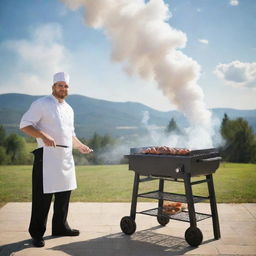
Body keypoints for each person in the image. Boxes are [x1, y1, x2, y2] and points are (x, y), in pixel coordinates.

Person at [20, 72, 93, 247]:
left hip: (65, 157)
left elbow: (70, 134)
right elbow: (24, 124)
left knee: (64, 194)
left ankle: (60, 226)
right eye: (60, 85)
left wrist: (81, 145)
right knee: (42, 197)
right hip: (46, 156)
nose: (63, 88)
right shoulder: (41, 104)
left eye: (66, 85)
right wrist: (43, 134)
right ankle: (37, 233)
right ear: (53, 86)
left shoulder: (69, 109)